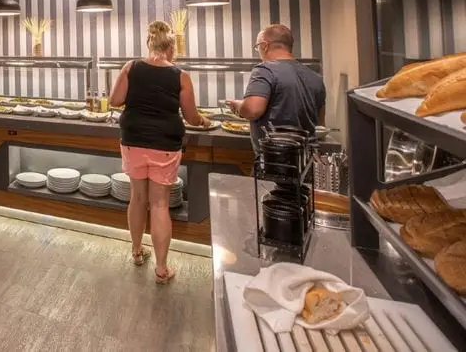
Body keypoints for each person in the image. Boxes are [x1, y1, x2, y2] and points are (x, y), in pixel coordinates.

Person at [108, 20, 210, 285]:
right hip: (164, 145)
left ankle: (137, 252)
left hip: (133, 140)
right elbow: (191, 116)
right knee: (160, 204)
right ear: (171, 48)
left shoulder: (131, 67)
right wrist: (204, 121)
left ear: (149, 43)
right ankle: (162, 269)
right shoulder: (180, 75)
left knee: (137, 198)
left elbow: (114, 100)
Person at [226, 24, 326, 151]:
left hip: (277, 156)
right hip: (309, 155)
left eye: (257, 47)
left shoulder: (265, 70)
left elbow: (252, 110)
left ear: (264, 45)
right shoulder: (316, 77)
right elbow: (320, 122)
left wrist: (238, 106)